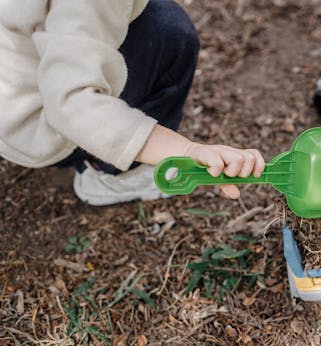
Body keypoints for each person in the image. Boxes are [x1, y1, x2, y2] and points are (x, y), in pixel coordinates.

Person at [0, 0, 264, 205]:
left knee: (153, 18)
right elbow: (71, 104)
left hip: (14, 71)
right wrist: (185, 151)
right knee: (171, 36)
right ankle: (114, 177)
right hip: (33, 121)